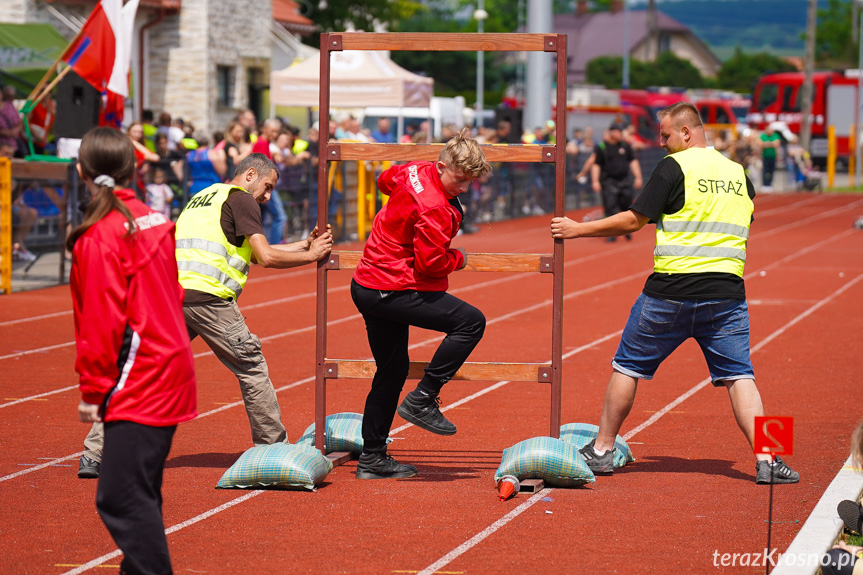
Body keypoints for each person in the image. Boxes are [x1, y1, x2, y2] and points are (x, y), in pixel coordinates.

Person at [550, 102, 799, 485]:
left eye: (665, 135)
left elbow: (635, 218)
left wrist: (576, 229)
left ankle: (601, 450)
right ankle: (771, 459)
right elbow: (746, 216)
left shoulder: (673, 167)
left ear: (687, 132)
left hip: (670, 292)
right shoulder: (738, 173)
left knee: (627, 366)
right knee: (740, 375)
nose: (661, 143)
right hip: (727, 295)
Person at [77, 153, 334, 478]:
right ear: (250, 174)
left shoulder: (204, 197)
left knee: (137, 375)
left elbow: (250, 252)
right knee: (251, 367)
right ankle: (273, 447)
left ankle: (94, 454)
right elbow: (266, 256)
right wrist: (312, 255)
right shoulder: (242, 200)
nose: (268, 197)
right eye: (267, 187)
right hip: (210, 300)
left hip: (169, 298)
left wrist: (302, 244)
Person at [69, 127, 196, 574]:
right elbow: (173, 293)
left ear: (81, 171)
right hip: (170, 364)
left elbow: (100, 323)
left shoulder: (97, 236)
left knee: (119, 497)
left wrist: (92, 390)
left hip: (139, 375)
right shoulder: (156, 220)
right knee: (140, 492)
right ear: (136, 167)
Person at [350, 128, 491, 480]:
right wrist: (458, 258)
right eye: (459, 179)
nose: (463, 188)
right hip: (391, 287)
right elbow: (431, 264)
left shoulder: (413, 169)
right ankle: (424, 398)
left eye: (470, 181)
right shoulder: (437, 209)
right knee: (470, 322)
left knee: (392, 371)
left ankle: (372, 457)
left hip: (367, 284)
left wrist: (401, 212)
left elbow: (385, 180)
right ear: (442, 166)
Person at [577, 121, 643, 242]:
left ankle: (626, 230)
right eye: (618, 131)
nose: (620, 134)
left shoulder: (625, 146)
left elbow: (633, 162)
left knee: (626, 207)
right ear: (612, 132)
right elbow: (596, 165)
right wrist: (595, 181)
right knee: (610, 208)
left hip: (624, 181)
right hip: (609, 182)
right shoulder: (602, 147)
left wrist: (638, 177)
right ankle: (611, 233)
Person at [251, 118, 288, 244]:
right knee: (280, 216)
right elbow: (259, 168)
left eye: (277, 132)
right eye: (273, 131)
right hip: (265, 187)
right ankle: (274, 246)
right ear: (264, 129)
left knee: (262, 218)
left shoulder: (265, 143)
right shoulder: (261, 143)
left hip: (265, 186)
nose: (275, 135)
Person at [760, 123, 781, 192]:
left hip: (773, 156)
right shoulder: (763, 135)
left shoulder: (775, 135)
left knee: (771, 171)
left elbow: (776, 144)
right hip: (765, 156)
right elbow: (760, 144)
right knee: (765, 171)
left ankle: (769, 184)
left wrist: (766, 143)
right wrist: (771, 143)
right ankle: (765, 184)